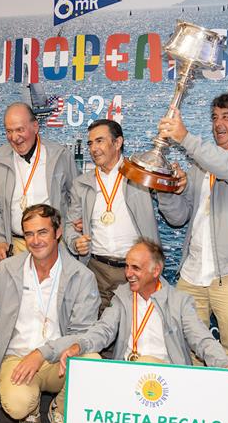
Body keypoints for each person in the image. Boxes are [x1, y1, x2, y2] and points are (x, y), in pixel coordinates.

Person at [53, 239, 228, 423]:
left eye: (136, 268)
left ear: (156, 270)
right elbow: (103, 330)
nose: (128, 273)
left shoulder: (179, 301)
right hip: (126, 379)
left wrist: (226, 366)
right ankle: (62, 411)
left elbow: (202, 340)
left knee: (146, 363)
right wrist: (79, 346)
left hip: (167, 384)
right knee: (89, 358)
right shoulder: (122, 297)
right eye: (127, 266)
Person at [157, 91, 228, 417]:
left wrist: (186, 138)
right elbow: (178, 218)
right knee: (188, 348)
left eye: (226, 117)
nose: (218, 123)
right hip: (193, 273)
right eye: (215, 117)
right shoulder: (200, 165)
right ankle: (195, 417)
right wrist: (168, 190)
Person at [0, 204, 100, 423]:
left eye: (42, 232)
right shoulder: (7, 269)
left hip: (59, 360)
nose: (35, 240)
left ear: (57, 233)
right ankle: (31, 406)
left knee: (93, 363)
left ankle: (60, 409)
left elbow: (83, 333)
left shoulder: (82, 276)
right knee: (17, 406)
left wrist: (42, 353)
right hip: (17, 357)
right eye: (29, 234)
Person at [65, 119, 159, 314]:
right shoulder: (81, 184)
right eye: (90, 143)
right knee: (97, 335)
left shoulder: (140, 174)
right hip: (96, 270)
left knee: (134, 332)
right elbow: (69, 226)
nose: (93, 148)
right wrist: (76, 242)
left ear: (117, 143)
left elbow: (173, 213)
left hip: (135, 270)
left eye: (99, 141)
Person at [0, 102, 79, 261]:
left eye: (20, 130)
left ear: (35, 127)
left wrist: (72, 231)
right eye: (9, 131)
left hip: (55, 248)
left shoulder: (60, 156)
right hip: (15, 248)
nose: (14, 137)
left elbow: (77, 198)